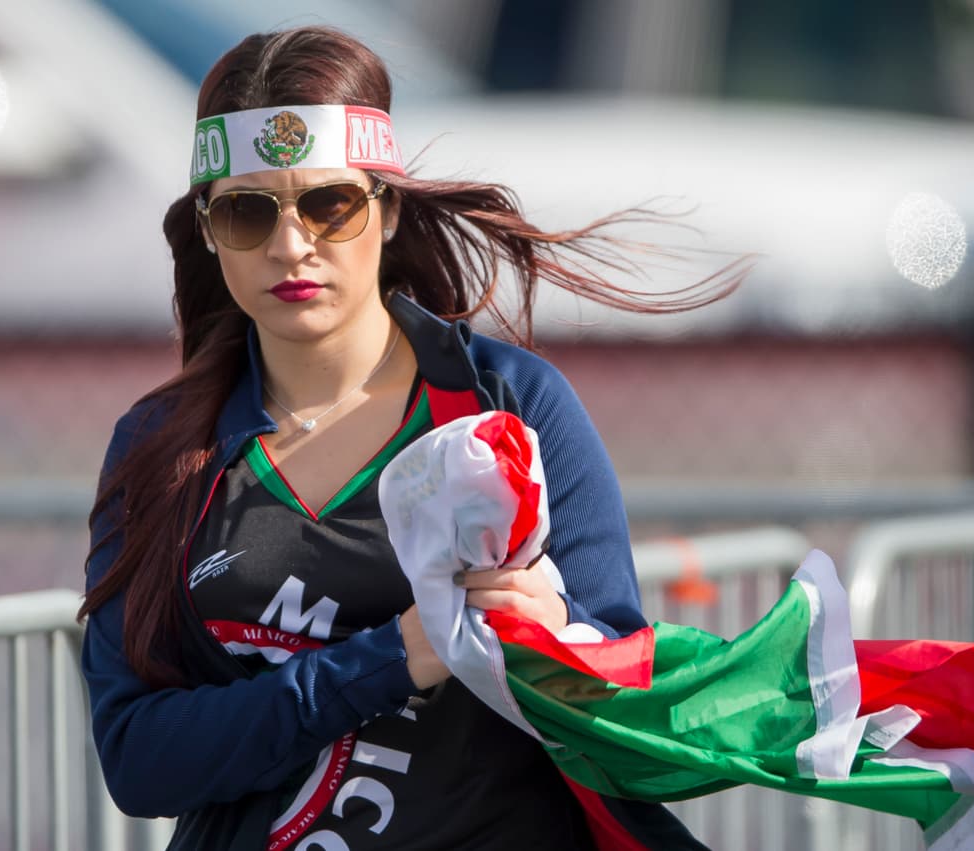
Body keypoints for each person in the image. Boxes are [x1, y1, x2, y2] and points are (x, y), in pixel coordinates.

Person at [80, 25, 745, 851]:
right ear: (210, 233)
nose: (292, 245)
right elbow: (139, 760)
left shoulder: (509, 403)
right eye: (249, 212)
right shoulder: (163, 443)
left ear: (387, 210)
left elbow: (626, 706)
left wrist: (562, 636)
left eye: (330, 205)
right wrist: (393, 656)